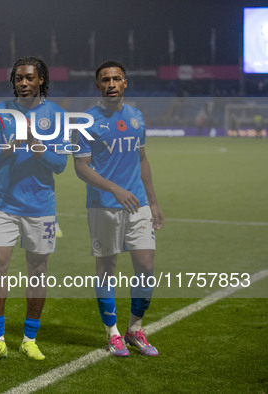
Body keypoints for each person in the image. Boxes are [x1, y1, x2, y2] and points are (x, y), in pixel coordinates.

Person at [0, 57, 72, 363]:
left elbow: (60, 164)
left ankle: (29, 338)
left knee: (37, 272)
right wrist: (9, 146)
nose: (23, 83)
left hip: (40, 208)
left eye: (30, 78)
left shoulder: (58, 115)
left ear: (41, 79)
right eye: (18, 78)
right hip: (3, 205)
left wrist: (35, 144)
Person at [73, 60, 164, 357]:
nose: (111, 84)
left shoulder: (137, 116)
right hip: (104, 206)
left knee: (146, 268)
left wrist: (153, 200)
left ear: (125, 83)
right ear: (98, 86)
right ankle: (112, 333)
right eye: (105, 80)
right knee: (106, 269)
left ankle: (135, 329)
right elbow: (81, 168)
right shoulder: (86, 122)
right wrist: (114, 188)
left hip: (137, 204)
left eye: (116, 79)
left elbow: (142, 160)